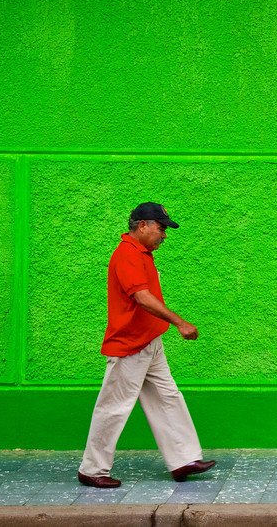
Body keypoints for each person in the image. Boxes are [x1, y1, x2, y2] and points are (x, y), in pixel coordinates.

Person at [77, 202, 216, 488]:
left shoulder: (142, 254)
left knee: (168, 397)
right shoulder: (127, 253)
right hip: (129, 346)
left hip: (150, 342)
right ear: (142, 225)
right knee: (113, 408)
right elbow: (141, 297)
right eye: (161, 227)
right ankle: (92, 469)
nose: (164, 234)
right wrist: (180, 322)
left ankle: (183, 459)